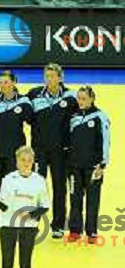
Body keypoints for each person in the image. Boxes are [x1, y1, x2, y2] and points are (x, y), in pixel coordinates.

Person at [0, 145, 50, 268]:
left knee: (25, 266)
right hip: (8, 226)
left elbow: (45, 206)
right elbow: (3, 206)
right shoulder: (8, 179)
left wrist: (31, 214)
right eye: (22, 160)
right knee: (7, 265)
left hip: (29, 228)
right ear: (17, 161)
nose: (26, 164)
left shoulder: (39, 180)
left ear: (33, 162)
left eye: (29, 161)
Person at [27, 63, 78, 239]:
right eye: (46, 76)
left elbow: (79, 121)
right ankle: (33, 224)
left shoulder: (71, 97)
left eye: (53, 76)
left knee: (59, 188)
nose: (49, 80)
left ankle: (58, 226)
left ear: (60, 78)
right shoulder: (34, 95)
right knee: (36, 188)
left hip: (60, 151)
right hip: (39, 151)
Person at [0, 70, 33, 236]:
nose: (2, 85)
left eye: (6, 82)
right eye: (0, 82)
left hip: (14, 155)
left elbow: (33, 120)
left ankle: (13, 220)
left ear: (14, 83)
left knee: (14, 188)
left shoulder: (24, 102)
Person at [66, 86, 110, 243]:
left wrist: (102, 164)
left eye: (84, 98)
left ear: (92, 99)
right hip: (74, 167)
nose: (81, 101)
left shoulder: (100, 117)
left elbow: (105, 141)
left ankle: (91, 232)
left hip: (93, 167)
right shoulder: (73, 117)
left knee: (92, 199)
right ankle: (74, 230)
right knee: (74, 198)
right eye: (79, 98)